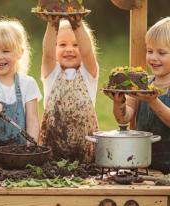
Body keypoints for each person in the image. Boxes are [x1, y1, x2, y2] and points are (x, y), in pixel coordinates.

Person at [104, 17, 170, 175]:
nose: (153, 57)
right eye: (149, 51)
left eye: (161, 53)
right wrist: (118, 102)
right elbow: (123, 119)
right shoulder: (142, 84)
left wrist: (153, 102)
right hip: (144, 164)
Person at [0, 17, 42, 162]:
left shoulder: (28, 84)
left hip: (18, 156)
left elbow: (33, 121)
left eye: (6, 51)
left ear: (20, 52)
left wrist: (31, 150)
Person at [36, 13, 99, 164]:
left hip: (85, 149)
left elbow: (87, 52)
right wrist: (52, 23)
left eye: (75, 45)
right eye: (62, 44)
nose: (69, 49)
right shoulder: (51, 73)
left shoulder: (89, 73)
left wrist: (77, 22)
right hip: (52, 148)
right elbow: (48, 54)